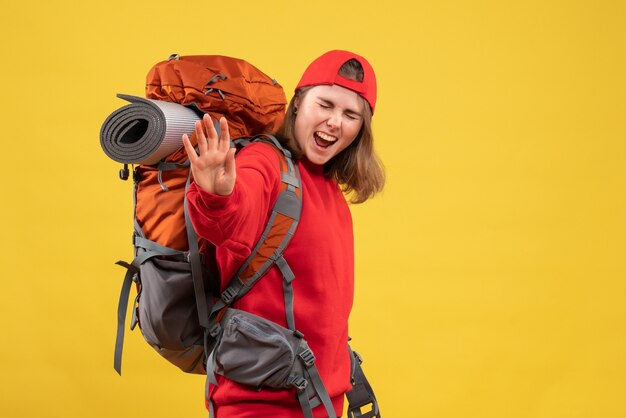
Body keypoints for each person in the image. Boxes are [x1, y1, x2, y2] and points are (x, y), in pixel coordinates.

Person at [182, 50, 384, 418]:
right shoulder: (263, 163)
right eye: (325, 104)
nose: (335, 122)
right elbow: (231, 223)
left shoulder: (328, 188)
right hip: (259, 407)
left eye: (350, 114)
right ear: (298, 103)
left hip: (323, 401)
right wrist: (216, 194)